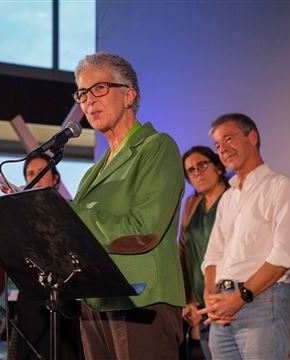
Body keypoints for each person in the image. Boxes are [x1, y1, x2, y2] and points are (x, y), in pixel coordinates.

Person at [68, 52, 186, 359]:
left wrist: (69, 212)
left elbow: (143, 228)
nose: (89, 100)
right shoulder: (94, 171)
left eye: (99, 88)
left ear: (129, 95)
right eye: (82, 93)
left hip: (142, 299)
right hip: (95, 301)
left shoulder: (157, 146)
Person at [198, 113, 290, 359]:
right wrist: (211, 297)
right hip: (222, 311)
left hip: (262, 303)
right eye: (217, 145)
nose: (222, 149)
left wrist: (241, 296)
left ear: (253, 137)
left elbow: (284, 256)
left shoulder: (282, 187)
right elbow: (213, 255)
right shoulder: (228, 197)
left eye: (228, 139)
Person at [8, 153, 83, 360]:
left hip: (65, 292)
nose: (35, 177)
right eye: (30, 173)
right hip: (32, 295)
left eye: (41, 172)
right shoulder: (20, 211)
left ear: (56, 178)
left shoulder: (70, 207)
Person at [178, 146, 228, 360]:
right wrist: (186, 299)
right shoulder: (191, 204)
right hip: (201, 305)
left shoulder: (233, 197)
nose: (197, 172)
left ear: (217, 167)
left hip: (229, 300)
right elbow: (183, 252)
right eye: (190, 170)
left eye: (202, 165)